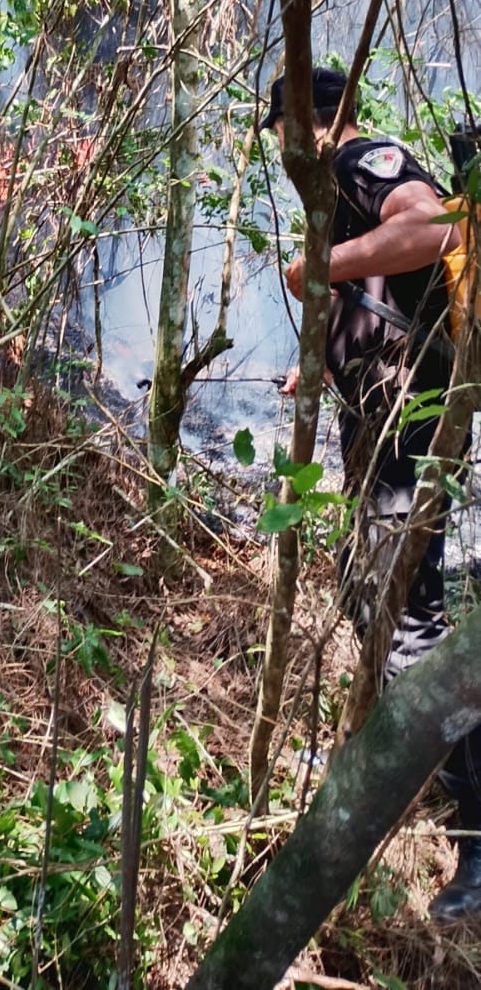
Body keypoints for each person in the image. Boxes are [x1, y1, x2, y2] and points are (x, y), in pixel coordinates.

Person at [260, 65, 481, 922]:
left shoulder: (364, 158)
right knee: (373, 597)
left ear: (308, 124)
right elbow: (381, 298)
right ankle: (409, 767)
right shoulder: (344, 181)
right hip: (382, 434)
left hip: (412, 438)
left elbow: (432, 225)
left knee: (413, 626)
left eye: (274, 133)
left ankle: (475, 841)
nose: (273, 153)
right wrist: (315, 357)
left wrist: (318, 261)